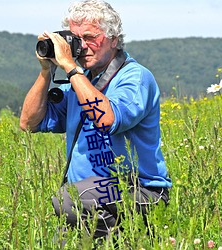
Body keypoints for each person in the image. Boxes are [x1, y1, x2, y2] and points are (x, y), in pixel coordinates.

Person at [20, 0, 172, 246]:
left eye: (90, 37)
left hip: (139, 190)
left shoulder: (134, 77)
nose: (82, 47)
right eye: (76, 39)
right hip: (90, 199)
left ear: (113, 39)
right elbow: (29, 122)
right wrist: (46, 70)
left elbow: (106, 120)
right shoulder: (78, 83)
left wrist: (70, 67)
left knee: (67, 200)